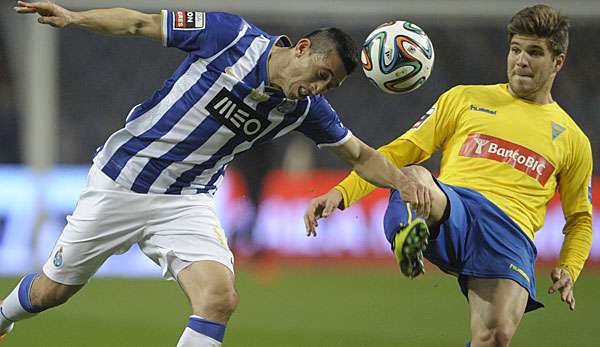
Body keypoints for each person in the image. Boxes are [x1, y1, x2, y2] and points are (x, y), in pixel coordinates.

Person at [0, 1, 432, 346]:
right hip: (122, 180)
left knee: (219, 298)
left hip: (187, 202)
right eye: (321, 75)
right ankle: (3, 318)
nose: (319, 89)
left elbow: (359, 155)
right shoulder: (230, 36)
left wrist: (404, 181)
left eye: (330, 85)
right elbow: (139, 24)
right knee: (49, 293)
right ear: (302, 47)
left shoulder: (305, 109)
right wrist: (74, 17)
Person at [304, 4, 592, 346]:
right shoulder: (464, 99)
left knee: (494, 335)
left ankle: (414, 235)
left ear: (557, 62)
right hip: (455, 209)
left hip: (510, 235)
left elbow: (580, 219)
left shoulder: (573, 140)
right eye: (515, 49)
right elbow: (398, 152)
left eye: (534, 52)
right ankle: (405, 239)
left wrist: (569, 268)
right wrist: (341, 193)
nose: (521, 61)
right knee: (412, 176)